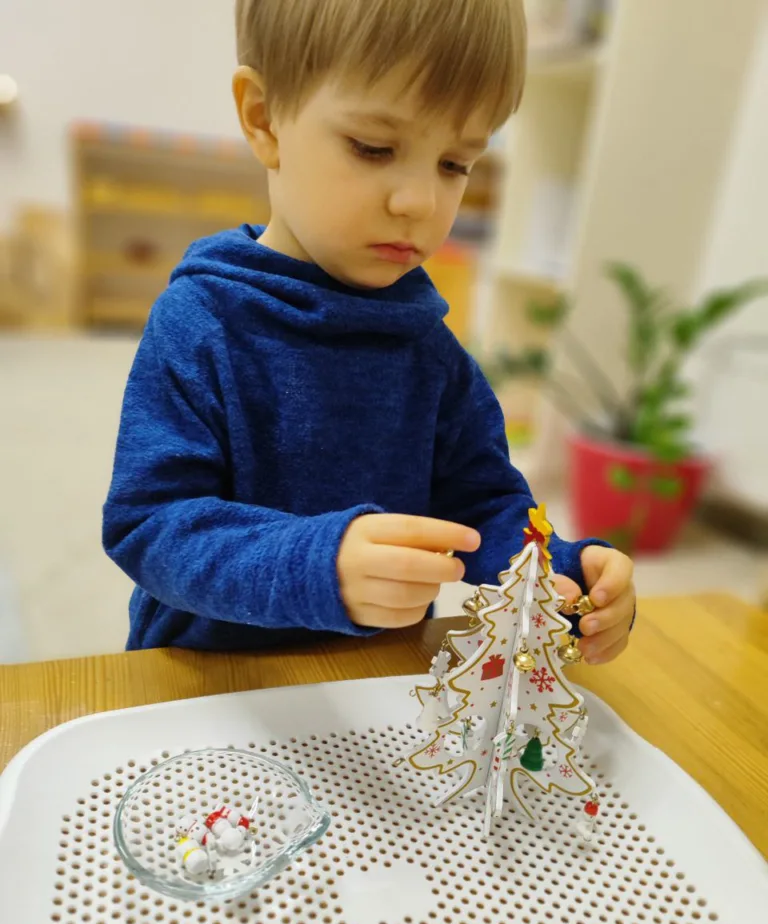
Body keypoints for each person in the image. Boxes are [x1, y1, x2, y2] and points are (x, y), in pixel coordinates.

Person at [103, 0, 635, 661]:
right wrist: (316, 566)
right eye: (374, 148)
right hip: (210, 675)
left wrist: (558, 572)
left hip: (375, 674)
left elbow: (482, 504)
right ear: (263, 118)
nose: (419, 201)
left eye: (454, 164)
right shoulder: (201, 322)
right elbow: (149, 525)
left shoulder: (430, 352)